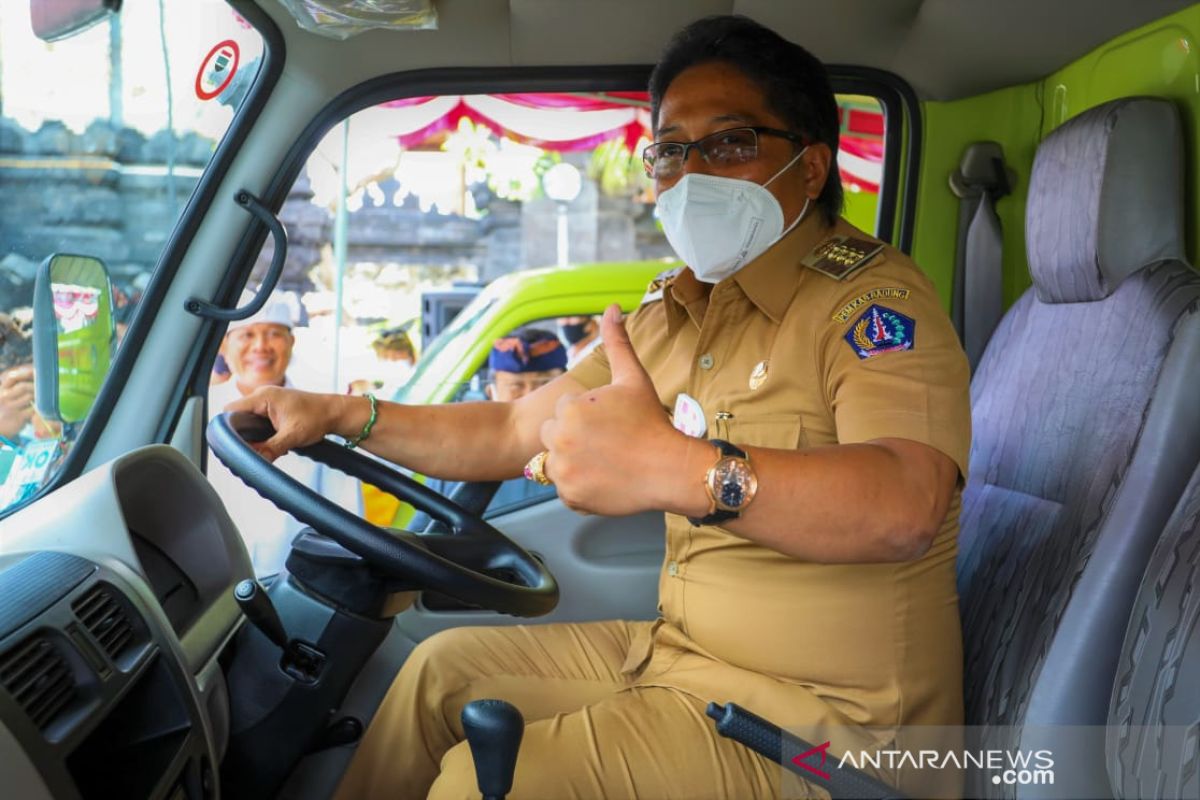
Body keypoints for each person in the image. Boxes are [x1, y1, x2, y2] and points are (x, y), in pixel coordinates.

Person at [228, 15, 969, 799]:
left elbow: (904, 503)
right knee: (438, 672)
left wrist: (680, 469)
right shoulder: (676, 310)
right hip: (684, 661)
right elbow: (517, 426)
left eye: (729, 143)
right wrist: (343, 417)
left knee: (483, 783)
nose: (692, 173)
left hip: (833, 737)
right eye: (671, 150)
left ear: (811, 166)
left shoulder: (871, 300)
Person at [207, 296, 362, 575]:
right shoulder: (202, 412)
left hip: (300, 582)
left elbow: (347, 513)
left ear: (292, 343)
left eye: (274, 334)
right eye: (247, 335)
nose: (260, 347)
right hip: (215, 579)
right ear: (223, 346)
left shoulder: (320, 414)